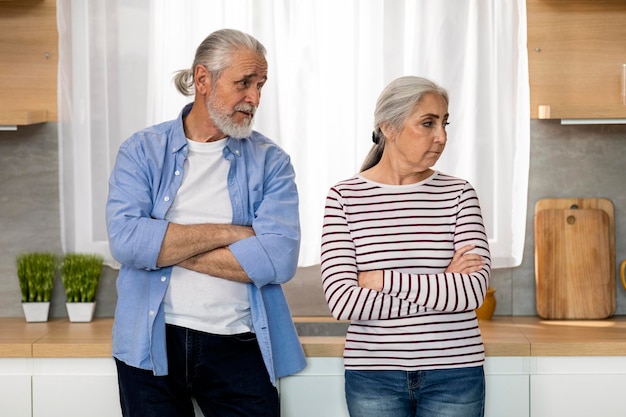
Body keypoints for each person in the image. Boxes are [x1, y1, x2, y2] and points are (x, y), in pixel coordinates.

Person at [106, 28, 306, 417]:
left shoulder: (271, 162)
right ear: (202, 80)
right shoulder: (141, 150)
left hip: (239, 344)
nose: (255, 98)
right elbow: (127, 242)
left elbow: (278, 260)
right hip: (149, 342)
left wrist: (161, 244)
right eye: (244, 83)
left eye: (260, 85)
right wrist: (231, 234)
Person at [320, 76, 491, 417]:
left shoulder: (459, 194)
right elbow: (342, 302)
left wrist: (382, 279)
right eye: (427, 123)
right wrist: (442, 287)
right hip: (373, 374)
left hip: (455, 371)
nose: (441, 136)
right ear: (389, 127)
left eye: (444, 123)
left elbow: (471, 293)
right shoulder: (345, 198)